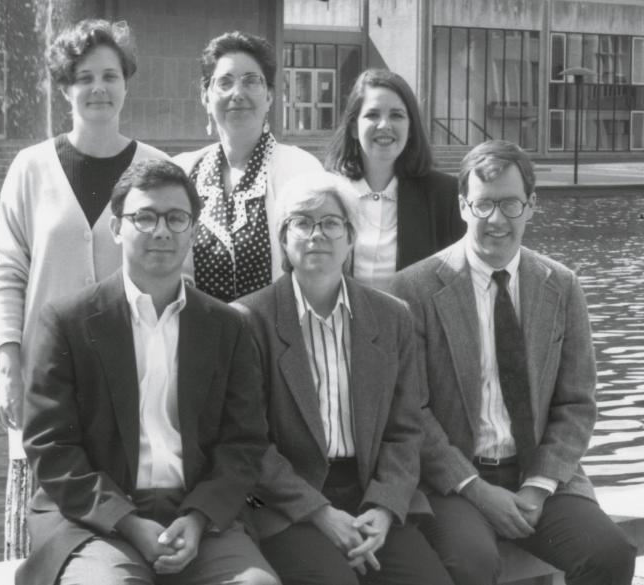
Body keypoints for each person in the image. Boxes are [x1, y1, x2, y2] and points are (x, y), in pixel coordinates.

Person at [15, 159, 278, 585]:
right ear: (117, 228)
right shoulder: (66, 322)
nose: (161, 231)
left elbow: (244, 443)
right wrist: (130, 523)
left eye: (176, 218)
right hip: (93, 516)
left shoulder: (227, 326)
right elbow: (51, 447)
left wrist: (196, 520)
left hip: (200, 512)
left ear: (193, 230)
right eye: (144, 217)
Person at [389, 140, 637, 585]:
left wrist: (538, 487)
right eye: (483, 205)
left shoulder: (562, 286)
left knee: (610, 554)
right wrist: (477, 491)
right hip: (455, 484)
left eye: (510, 204)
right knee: (471, 566)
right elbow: (412, 412)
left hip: (540, 477)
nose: (497, 220)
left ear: (532, 206)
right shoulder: (414, 290)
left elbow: (577, 404)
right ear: (463, 206)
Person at [0, 19, 168, 557]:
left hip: (133, 372)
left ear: (126, 83)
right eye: (84, 76)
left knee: (126, 506)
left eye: (110, 75)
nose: (98, 88)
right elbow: (8, 272)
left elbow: (174, 273)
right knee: (41, 505)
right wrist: (7, 368)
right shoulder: (30, 168)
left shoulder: (155, 168)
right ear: (64, 86)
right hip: (47, 372)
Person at [233, 172, 453, 585]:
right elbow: (249, 442)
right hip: (286, 503)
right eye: (302, 222)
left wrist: (384, 509)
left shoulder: (391, 317)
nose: (317, 234)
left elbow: (405, 430)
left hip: (370, 492)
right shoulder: (249, 321)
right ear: (283, 239)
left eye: (331, 223)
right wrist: (319, 513)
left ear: (351, 238)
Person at [174, 31, 322, 303]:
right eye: (225, 82)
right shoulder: (183, 172)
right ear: (205, 96)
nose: (237, 93)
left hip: (276, 338)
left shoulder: (302, 171)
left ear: (269, 96)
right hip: (202, 337)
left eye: (251, 81)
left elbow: (318, 268)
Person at [324, 68, 464, 292]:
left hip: (415, 325)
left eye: (396, 115)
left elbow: (460, 283)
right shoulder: (327, 193)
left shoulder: (444, 195)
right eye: (372, 115)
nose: (384, 125)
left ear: (410, 129)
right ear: (353, 127)